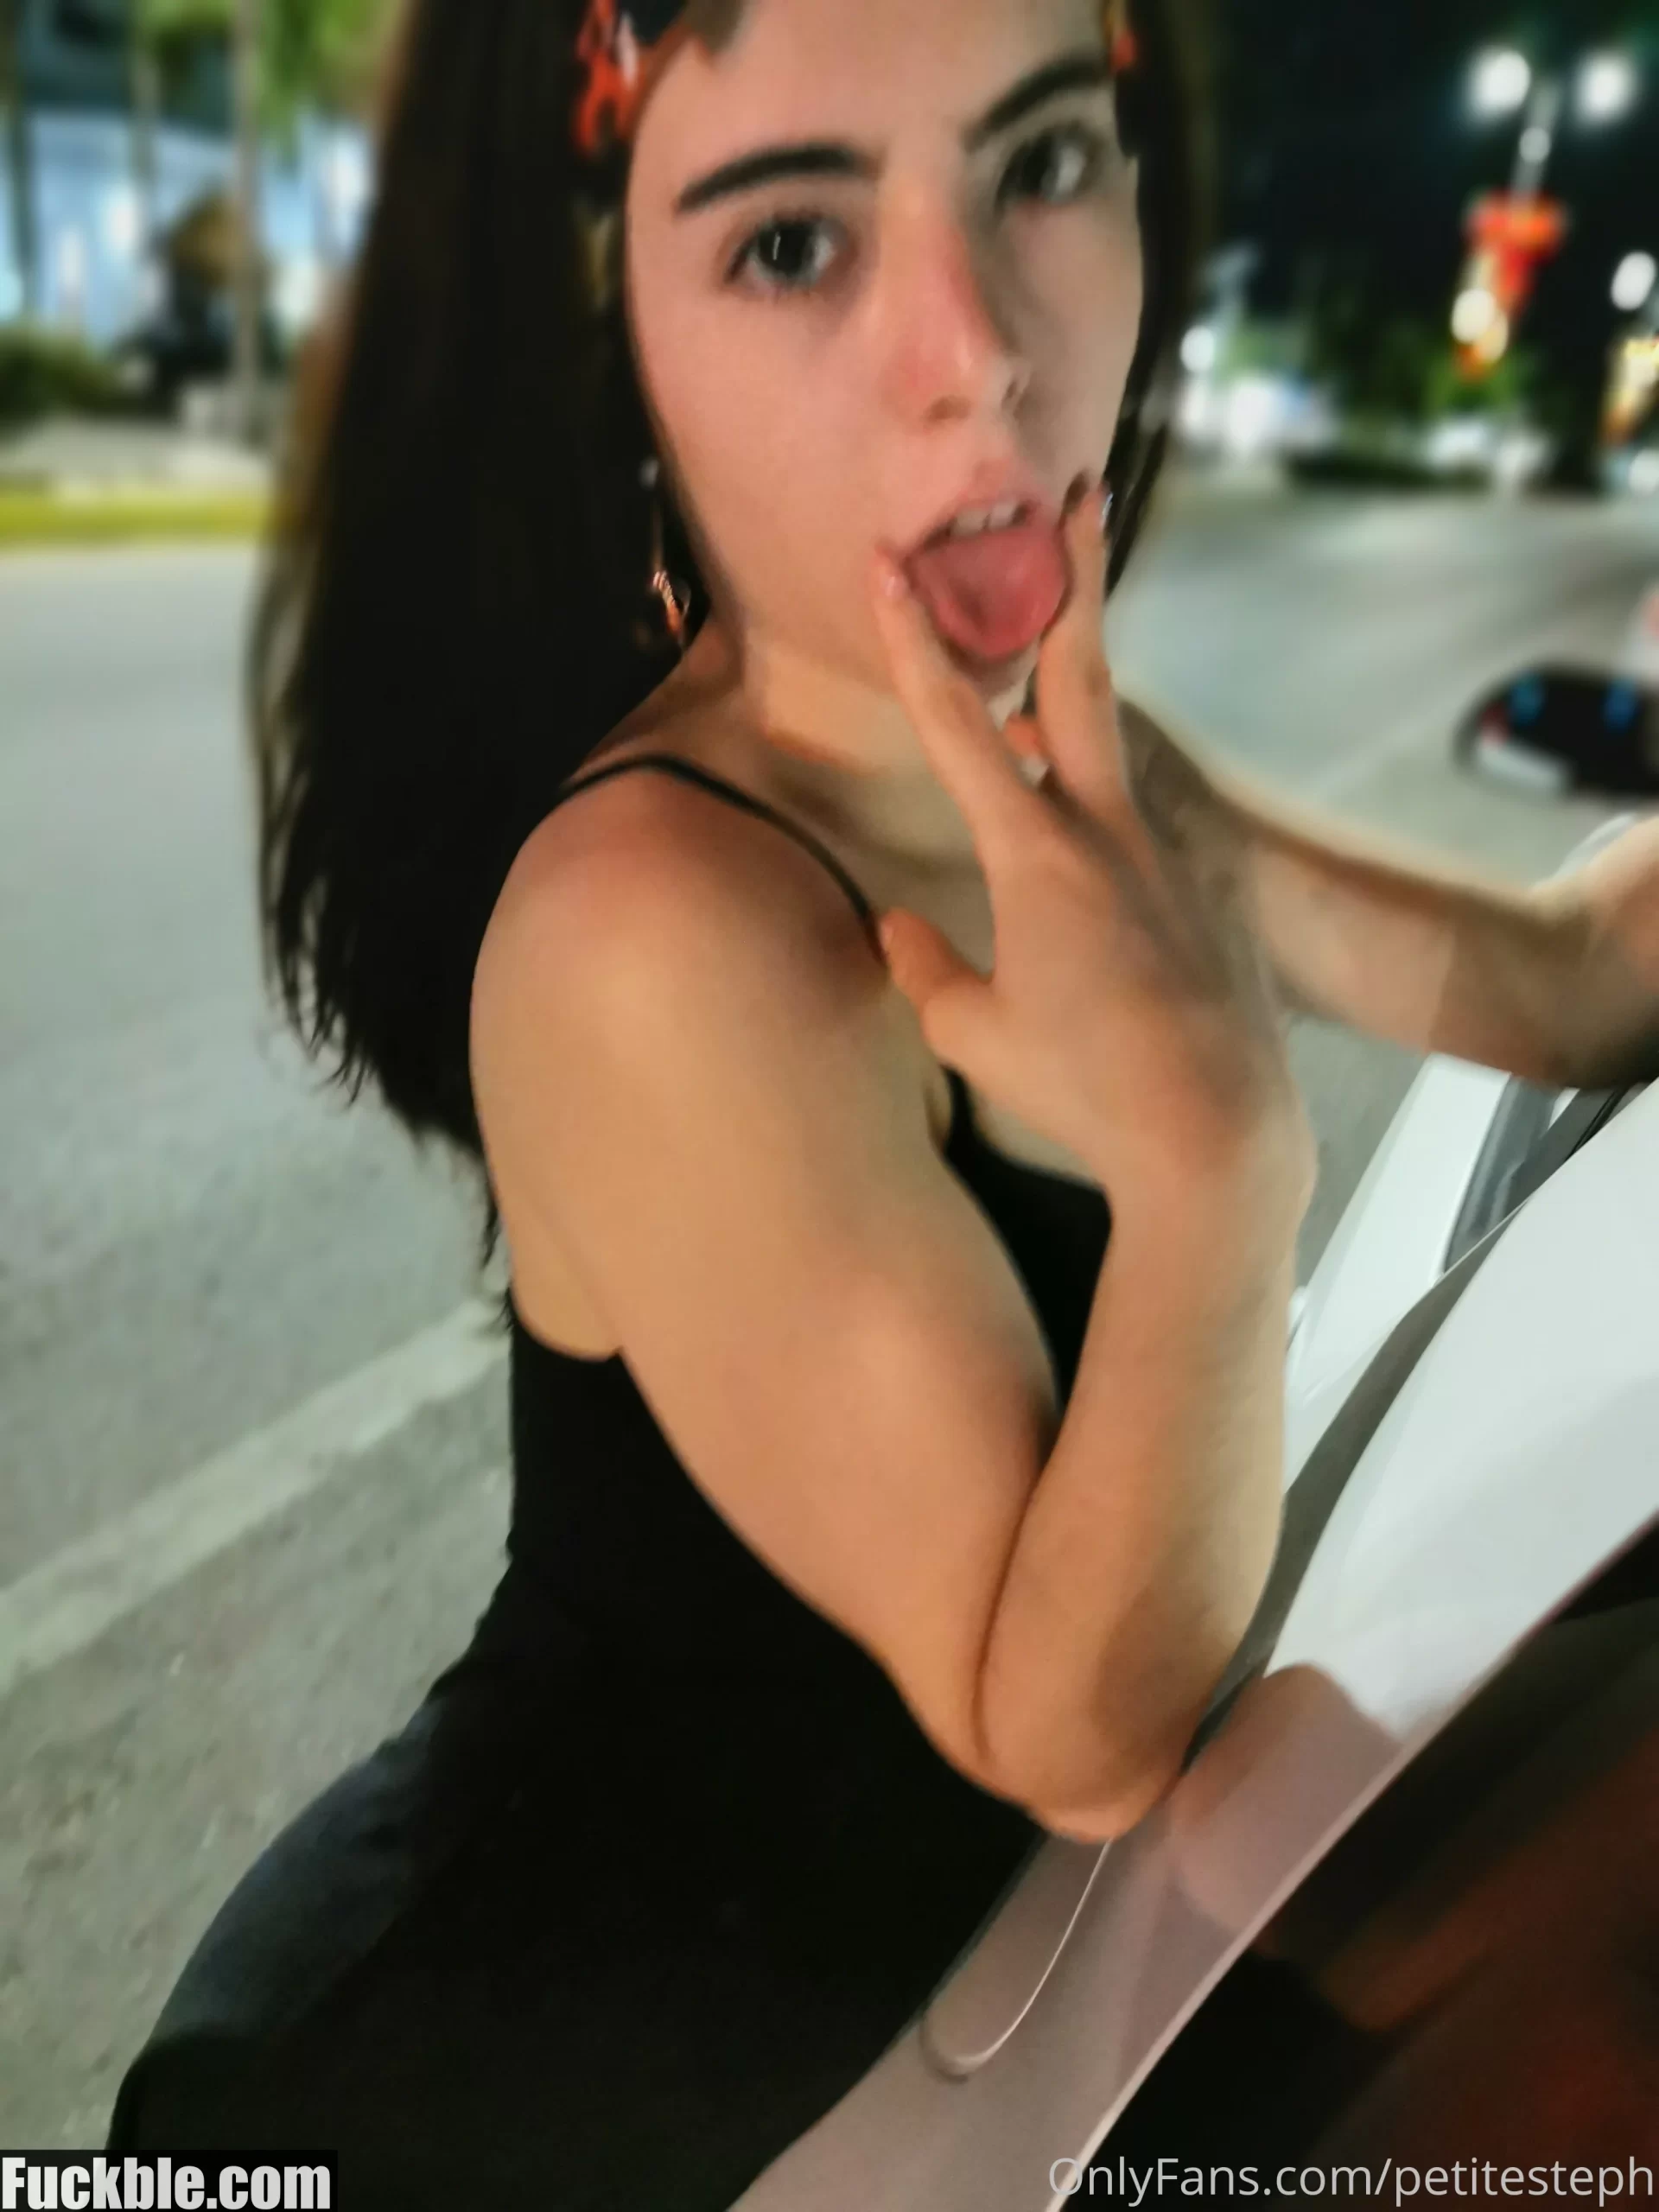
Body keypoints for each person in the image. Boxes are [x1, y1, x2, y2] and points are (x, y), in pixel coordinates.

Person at [107, 0, 1659, 2203]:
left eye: (1041, 165)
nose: (980, 354)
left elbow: (1573, 976)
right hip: (524, 2069)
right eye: (790, 243)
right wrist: (1215, 1174)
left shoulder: (1064, 780)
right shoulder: (656, 924)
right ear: (614, 346)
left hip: (996, 1999)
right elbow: (1071, 1722)